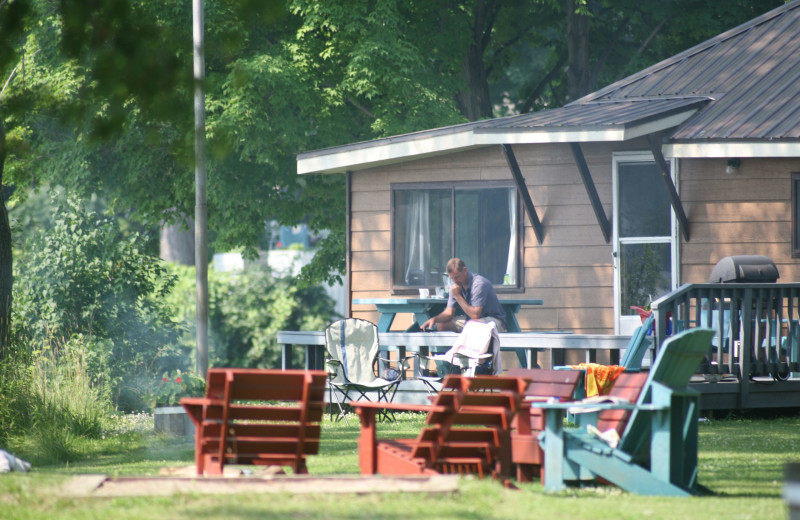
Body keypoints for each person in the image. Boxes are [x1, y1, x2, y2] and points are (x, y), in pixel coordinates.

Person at [421, 257, 507, 332]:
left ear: (464, 270)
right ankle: (453, 350)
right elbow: (449, 313)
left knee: (472, 325)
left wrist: (458, 296)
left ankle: (468, 349)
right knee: (442, 326)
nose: (454, 281)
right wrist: (434, 319)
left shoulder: (479, 284)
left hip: (493, 320)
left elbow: (475, 315)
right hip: (471, 321)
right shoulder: (455, 285)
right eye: (452, 278)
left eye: (457, 277)